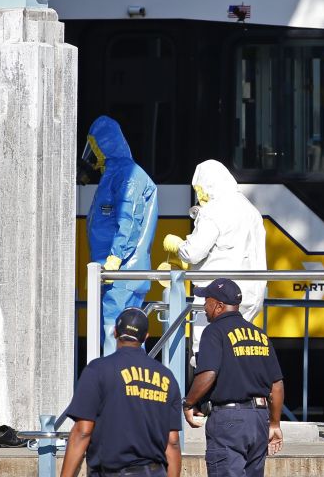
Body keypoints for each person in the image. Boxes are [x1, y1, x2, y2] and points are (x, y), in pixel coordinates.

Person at [61, 308, 182, 477]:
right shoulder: (167, 377)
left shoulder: (98, 370)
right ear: (146, 337)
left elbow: (83, 431)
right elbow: (173, 442)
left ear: (115, 332)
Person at [162, 160, 266, 356]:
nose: (200, 195)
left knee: (206, 352)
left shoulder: (213, 210)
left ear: (207, 185)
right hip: (250, 295)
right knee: (237, 351)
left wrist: (178, 246)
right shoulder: (250, 209)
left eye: (199, 189)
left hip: (218, 298)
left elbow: (194, 252)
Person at [182, 279, 284, 477]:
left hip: (229, 422)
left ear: (218, 305)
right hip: (259, 420)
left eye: (207, 301)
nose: (204, 307)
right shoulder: (259, 334)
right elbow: (276, 385)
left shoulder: (214, 331)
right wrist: (274, 424)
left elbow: (208, 374)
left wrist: (189, 402)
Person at [81, 116, 159, 356]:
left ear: (104, 144)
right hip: (118, 272)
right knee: (129, 333)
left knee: (115, 333)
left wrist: (115, 258)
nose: (92, 153)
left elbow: (129, 219)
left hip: (121, 273)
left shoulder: (127, 175)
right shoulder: (116, 174)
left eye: (95, 146)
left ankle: (115, 378)